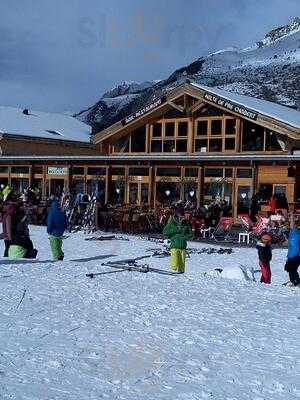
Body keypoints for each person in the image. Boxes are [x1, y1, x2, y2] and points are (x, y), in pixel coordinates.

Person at [163, 206, 192, 274]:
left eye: (182, 216)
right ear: (176, 215)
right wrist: (176, 230)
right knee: (174, 265)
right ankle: (172, 275)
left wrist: (185, 237)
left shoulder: (185, 224)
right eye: (180, 216)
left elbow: (190, 234)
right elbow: (165, 232)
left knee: (181, 267)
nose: (182, 217)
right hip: (174, 246)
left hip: (183, 246)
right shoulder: (172, 223)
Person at [284, 214, 300, 286]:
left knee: (292, 269)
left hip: (297, 255)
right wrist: (292, 216)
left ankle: (295, 281)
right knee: (290, 269)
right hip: (290, 255)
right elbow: (292, 224)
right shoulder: (292, 232)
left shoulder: (296, 233)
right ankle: (295, 281)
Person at [2, 191, 16, 257]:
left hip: (6, 236)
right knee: (8, 248)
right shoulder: (9, 216)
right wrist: (10, 237)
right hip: (8, 237)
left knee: (7, 248)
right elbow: (8, 226)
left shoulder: (6, 214)